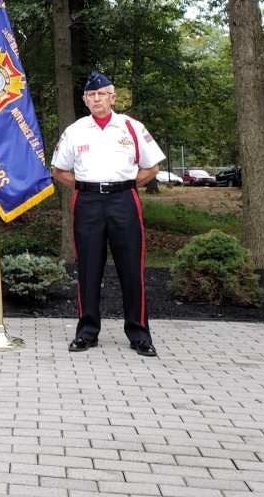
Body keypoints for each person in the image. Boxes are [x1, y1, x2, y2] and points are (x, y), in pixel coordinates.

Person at [51, 72, 165, 357]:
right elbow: (59, 170)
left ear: (113, 97)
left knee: (131, 269)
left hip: (124, 201)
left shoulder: (131, 127)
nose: (97, 99)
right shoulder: (75, 130)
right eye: (91, 95)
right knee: (88, 268)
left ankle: (139, 334)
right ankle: (87, 332)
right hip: (87, 202)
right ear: (85, 100)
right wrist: (85, 188)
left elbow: (152, 168)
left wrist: (125, 186)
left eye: (102, 94)